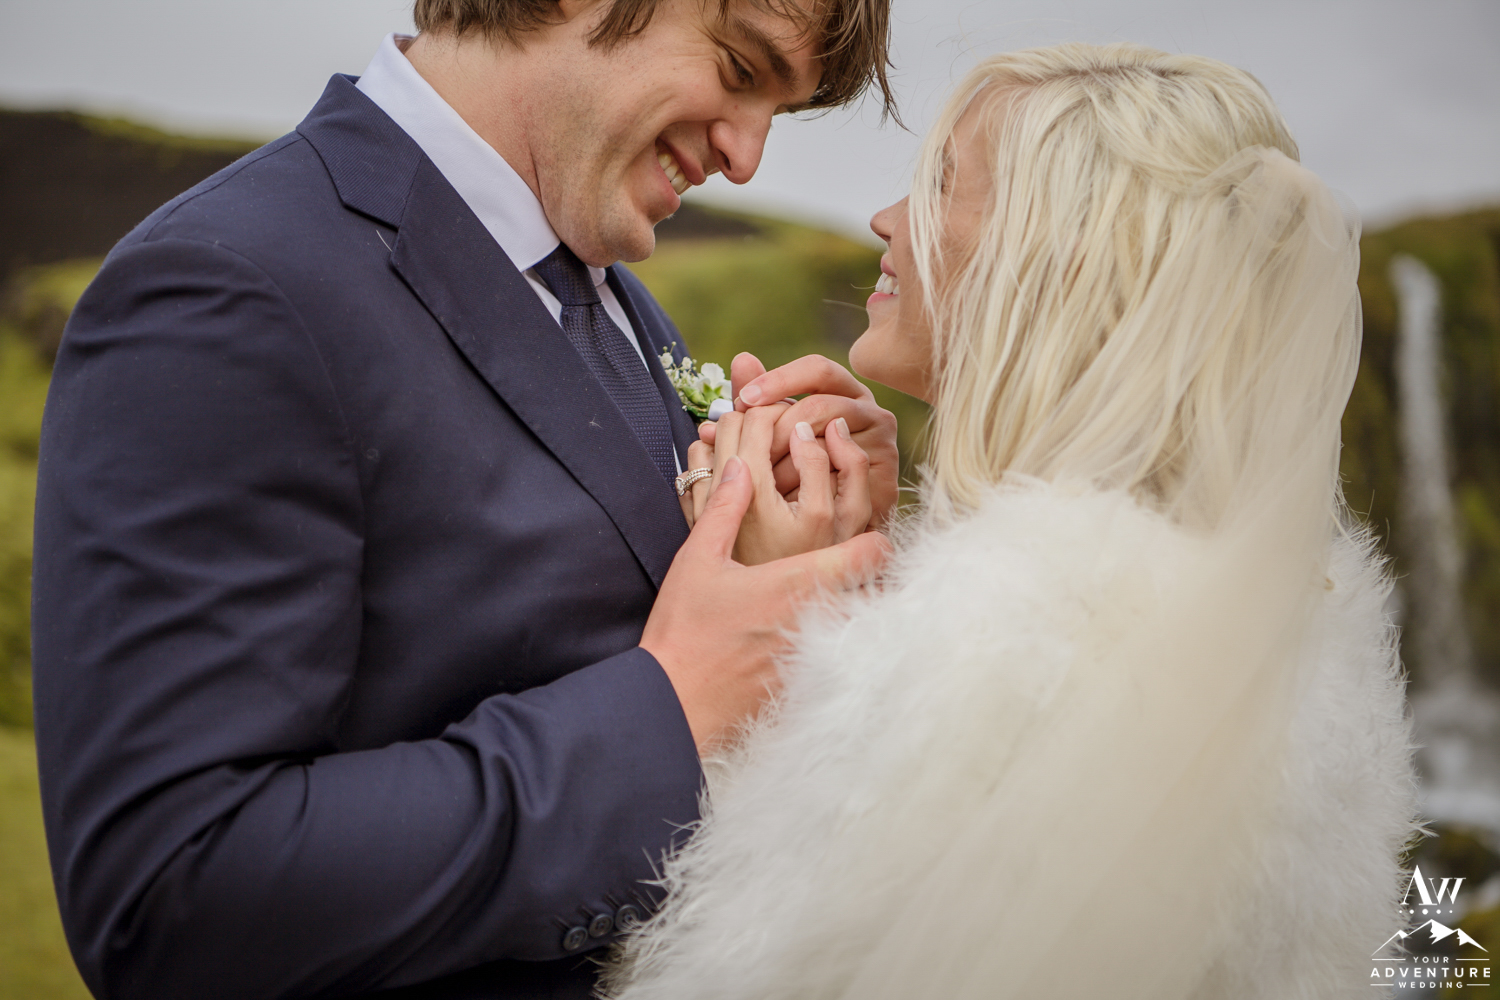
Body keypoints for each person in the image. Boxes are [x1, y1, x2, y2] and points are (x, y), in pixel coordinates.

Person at [30, 1, 896, 998]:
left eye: (780, 114)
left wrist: (788, 547)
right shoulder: (228, 285)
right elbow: (172, 892)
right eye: (742, 70)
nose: (747, 159)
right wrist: (671, 710)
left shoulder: (607, 291)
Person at [613, 43, 1420, 999]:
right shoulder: (1276, 605)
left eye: (939, 184)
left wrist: (766, 623)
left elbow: (734, 960)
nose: (883, 220)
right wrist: (852, 578)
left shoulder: (1010, 626)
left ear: (1053, 250)